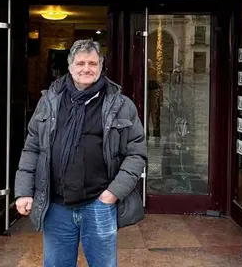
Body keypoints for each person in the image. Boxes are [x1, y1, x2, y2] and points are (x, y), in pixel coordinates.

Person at [14, 39, 147, 267]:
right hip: (56, 206)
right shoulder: (49, 102)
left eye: (93, 63)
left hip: (99, 204)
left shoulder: (121, 105)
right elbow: (33, 148)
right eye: (81, 63)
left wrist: (113, 194)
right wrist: (24, 191)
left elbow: (137, 153)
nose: (87, 68)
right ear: (70, 66)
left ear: (101, 66)